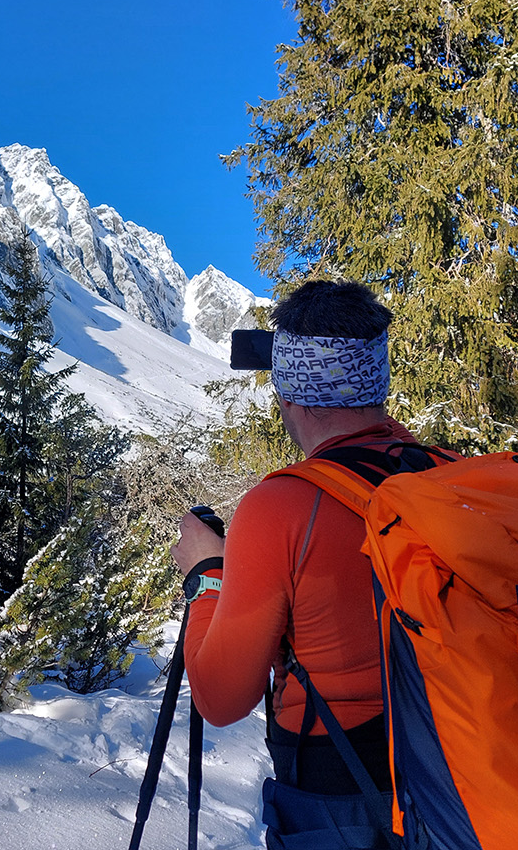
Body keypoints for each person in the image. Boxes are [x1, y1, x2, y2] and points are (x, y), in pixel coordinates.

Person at [171, 279, 429, 845]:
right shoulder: (446, 476)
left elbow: (220, 698)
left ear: (290, 392)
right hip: (457, 785)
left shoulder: (282, 506)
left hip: (339, 798)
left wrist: (207, 575)